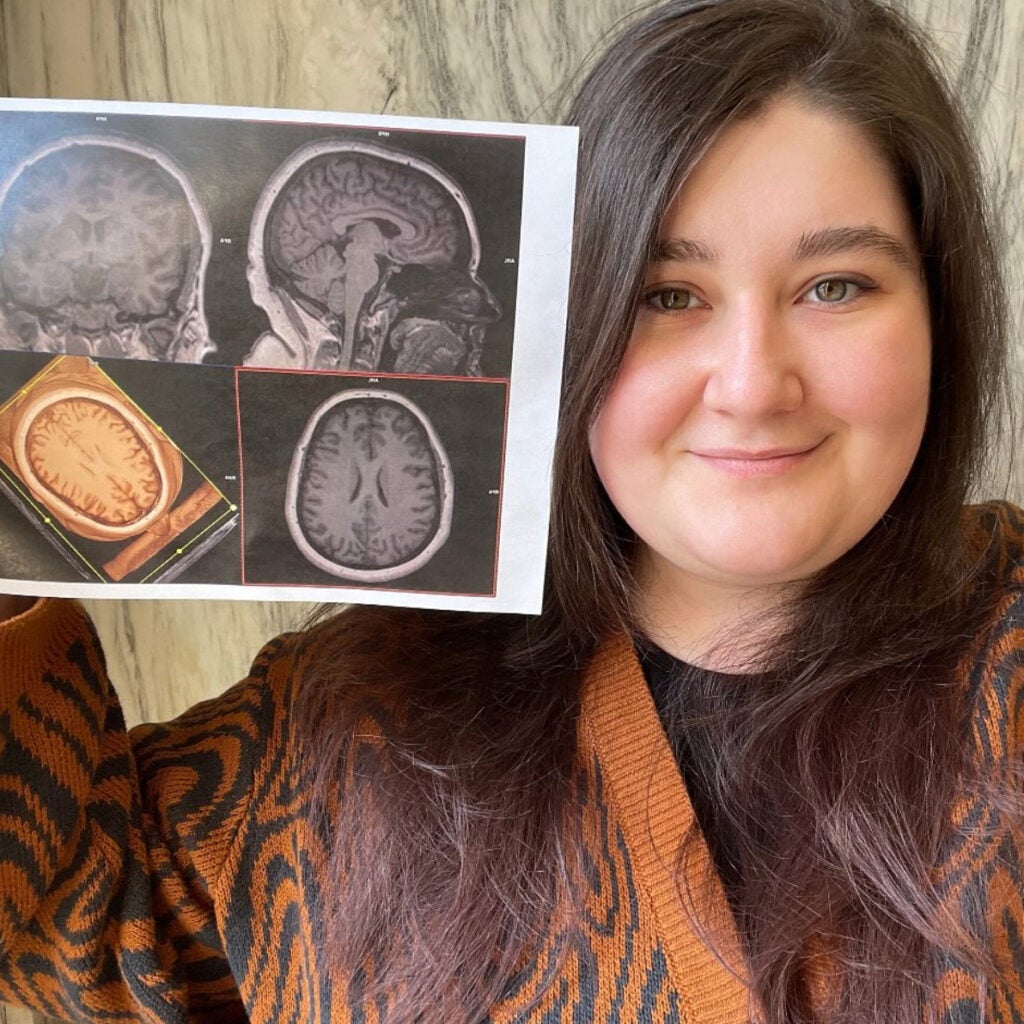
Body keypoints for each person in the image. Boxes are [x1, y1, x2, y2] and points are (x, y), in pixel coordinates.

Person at [1, 0, 1021, 1021]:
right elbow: (57, 916)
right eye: (665, 294)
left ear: (939, 313)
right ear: (562, 315)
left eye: (835, 285)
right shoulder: (349, 731)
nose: (751, 384)